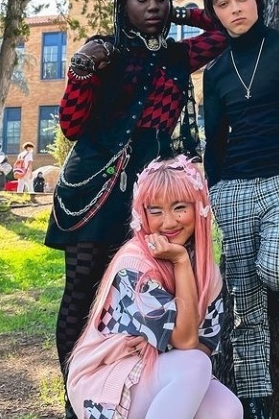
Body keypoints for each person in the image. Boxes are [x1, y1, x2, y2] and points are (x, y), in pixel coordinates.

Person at [44, 0, 227, 418]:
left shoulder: (179, 55)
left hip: (149, 194)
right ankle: (76, 400)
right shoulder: (103, 51)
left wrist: (183, 11)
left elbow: (222, 30)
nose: (152, 6)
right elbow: (70, 126)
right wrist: (81, 70)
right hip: (92, 189)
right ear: (122, 3)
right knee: (81, 294)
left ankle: (131, 389)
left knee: (136, 293)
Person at [201, 0, 279, 419]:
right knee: (245, 306)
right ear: (214, 12)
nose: (235, 9)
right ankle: (255, 400)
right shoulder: (215, 72)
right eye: (223, 3)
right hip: (232, 188)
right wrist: (215, 190)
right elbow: (216, 140)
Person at [66, 156, 243, 419]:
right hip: (105, 382)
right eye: (156, 211)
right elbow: (186, 342)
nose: (169, 222)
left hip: (160, 376)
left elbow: (204, 344)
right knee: (194, 365)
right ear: (142, 214)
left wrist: (184, 265)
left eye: (180, 207)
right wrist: (180, 261)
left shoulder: (207, 272)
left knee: (227, 409)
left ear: (199, 208)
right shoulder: (133, 265)